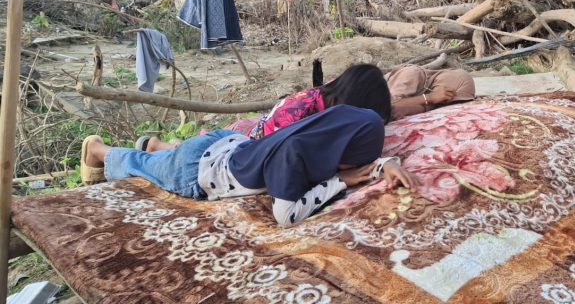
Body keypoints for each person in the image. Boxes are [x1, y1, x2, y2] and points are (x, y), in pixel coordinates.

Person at [81, 105, 417, 226]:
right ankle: (99, 149)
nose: (359, 165)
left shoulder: (317, 134)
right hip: (197, 172)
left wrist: (384, 164)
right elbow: (286, 215)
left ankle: (161, 147)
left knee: (160, 158)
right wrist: (341, 181)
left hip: (223, 143)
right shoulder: (294, 155)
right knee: (142, 166)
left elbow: (355, 160)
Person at [138, 63, 393, 151]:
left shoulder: (325, 101)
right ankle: (157, 147)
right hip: (245, 141)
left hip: (253, 129)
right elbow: (277, 153)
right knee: (192, 155)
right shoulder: (300, 111)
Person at [384, 65, 475, 119]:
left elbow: (399, 110)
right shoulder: (413, 74)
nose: (446, 99)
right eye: (449, 93)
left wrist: (428, 102)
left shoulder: (432, 100)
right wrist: (430, 97)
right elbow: (387, 105)